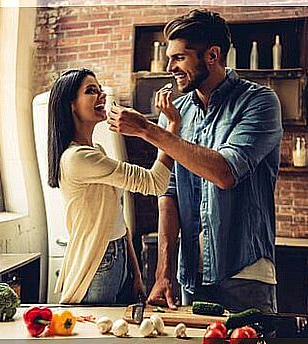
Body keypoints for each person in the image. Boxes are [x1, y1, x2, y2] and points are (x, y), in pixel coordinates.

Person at [108, 9, 282, 313]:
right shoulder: (179, 113)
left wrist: (148, 130)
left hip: (244, 271)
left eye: (179, 58)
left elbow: (225, 172)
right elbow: (169, 193)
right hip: (191, 276)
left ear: (212, 55)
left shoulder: (259, 102)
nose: (169, 66)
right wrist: (164, 272)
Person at [48, 68, 180, 304]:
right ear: (71, 105)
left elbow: (116, 216)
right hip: (98, 262)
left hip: (117, 255)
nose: (102, 96)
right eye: (91, 91)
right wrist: (171, 127)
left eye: (100, 90)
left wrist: (135, 273)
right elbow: (156, 183)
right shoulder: (77, 158)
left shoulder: (96, 151)